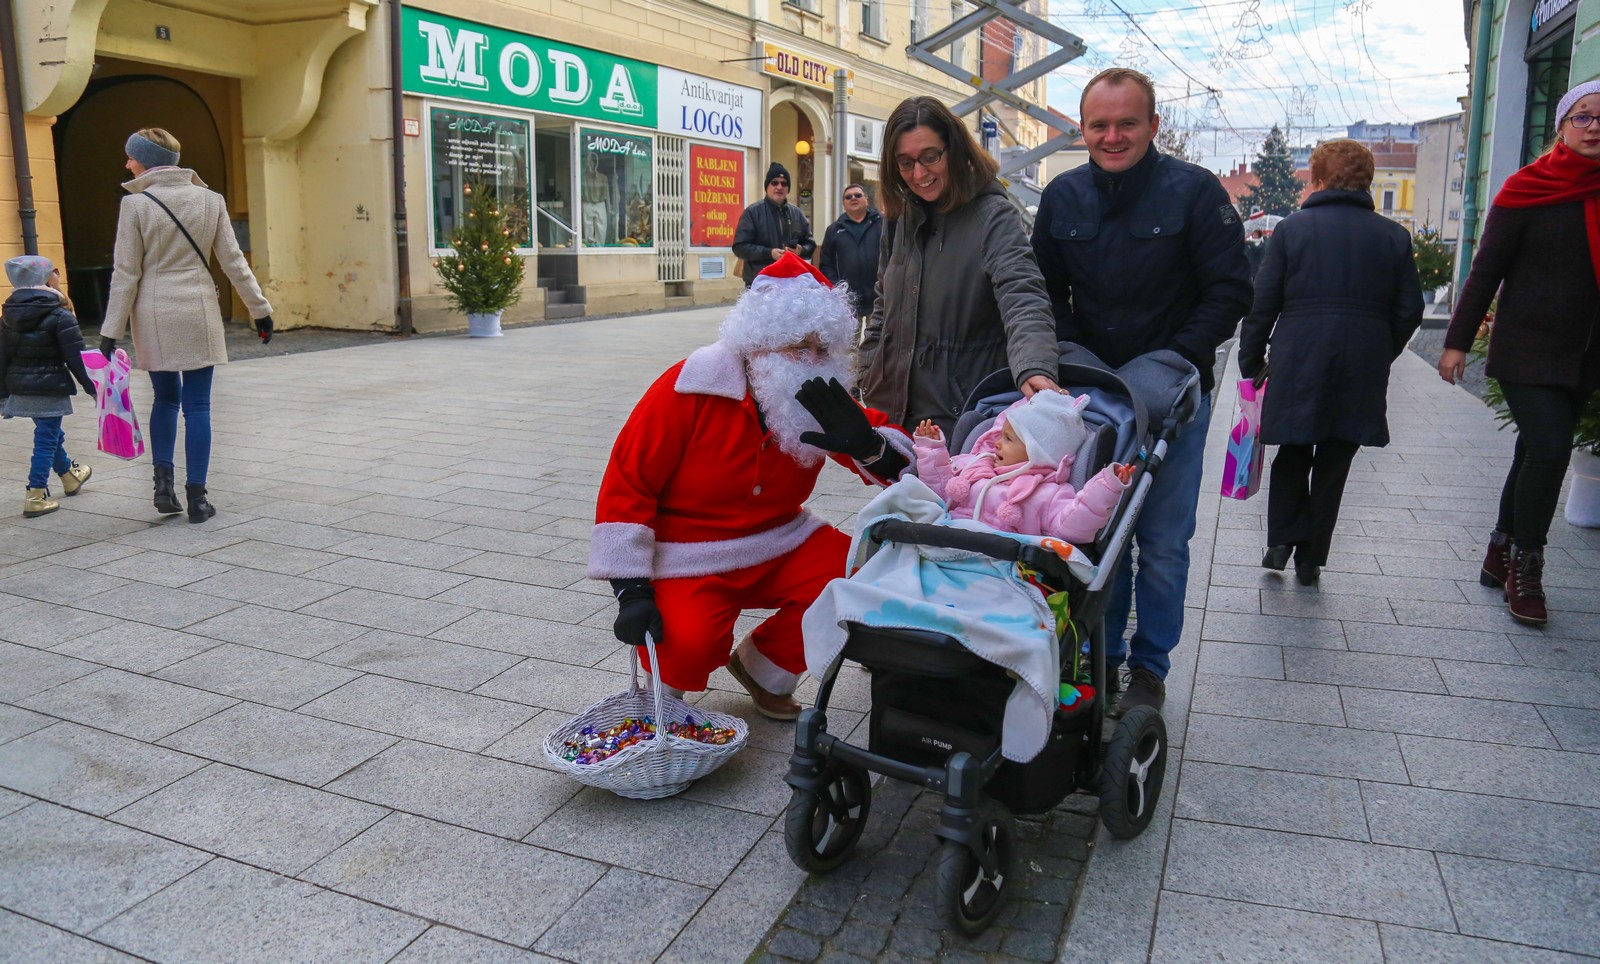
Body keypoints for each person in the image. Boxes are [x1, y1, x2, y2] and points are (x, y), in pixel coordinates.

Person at [588, 252, 911, 719]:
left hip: (780, 538)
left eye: (822, 348)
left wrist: (871, 445)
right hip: (689, 552)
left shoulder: (815, 392)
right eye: (798, 347)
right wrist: (631, 589)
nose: (812, 360)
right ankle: (664, 697)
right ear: (760, 343)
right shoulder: (689, 387)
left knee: (861, 575)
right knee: (687, 645)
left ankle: (764, 668)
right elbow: (628, 482)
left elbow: (898, 463)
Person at [1031, 68, 1252, 715]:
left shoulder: (1194, 192)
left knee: (1161, 544)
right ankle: (1103, 657)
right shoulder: (1063, 196)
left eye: (1127, 123)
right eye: (1099, 125)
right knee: (1097, 535)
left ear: (1153, 125)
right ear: (1082, 129)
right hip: (1097, 403)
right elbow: (1044, 292)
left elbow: (1229, 290)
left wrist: (1175, 358)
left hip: (1173, 399)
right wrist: (1075, 358)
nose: (1113, 136)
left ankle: (1150, 668)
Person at [1440, 80, 1600, 627]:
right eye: (1583, 116)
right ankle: (1526, 568)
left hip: (1585, 353)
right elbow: (1486, 270)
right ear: (1562, 126)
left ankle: (1498, 549)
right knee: (1551, 448)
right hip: (1527, 349)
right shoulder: (1527, 188)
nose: (1593, 127)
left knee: (1532, 449)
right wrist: (1457, 342)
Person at [1239, 140, 1424, 586]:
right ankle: (1312, 558)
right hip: (1362, 360)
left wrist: (1251, 360)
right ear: (1367, 182)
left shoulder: (1292, 230)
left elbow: (1264, 301)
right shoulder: (1393, 237)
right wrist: (1383, 349)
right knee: (1335, 461)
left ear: (1318, 180)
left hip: (1298, 355)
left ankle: (1281, 539)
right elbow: (1410, 309)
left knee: (1293, 450)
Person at [856, 96, 1061, 438]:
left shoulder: (992, 216)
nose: (919, 173)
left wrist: (1033, 366)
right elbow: (883, 303)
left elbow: (1023, 296)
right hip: (894, 417)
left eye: (930, 157)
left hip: (960, 422)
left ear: (954, 149)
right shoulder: (899, 218)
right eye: (905, 162)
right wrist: (868, 368)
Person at [98, 128, 274, 523]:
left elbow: (126, 273)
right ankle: (198, 498)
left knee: (165, 398)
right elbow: (233, 262)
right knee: (198, 405)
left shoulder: (135, 205)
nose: (127, 163)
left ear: (147, 160)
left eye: (131, 157)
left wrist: (111, 330)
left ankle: (163, 485)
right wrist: (260, 309)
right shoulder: (211, 201)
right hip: (198, 310)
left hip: (153, 313)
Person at [912, 390, 1133, 541]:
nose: (996, 443)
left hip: (998, 563)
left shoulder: (1048, 494)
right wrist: (931, 449)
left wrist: (1106, 488)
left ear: (1038, 451)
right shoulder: (974, 465)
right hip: (945, 541)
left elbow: (1072, 525)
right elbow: (937, 492)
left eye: (1008, 439)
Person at [1, 256, 98, 518]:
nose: (58, 274)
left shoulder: (8, 314)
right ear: (43, 278)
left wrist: (3, 393)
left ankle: (69, 475)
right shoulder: (59, 314)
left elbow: (2, 356)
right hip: (51, 386)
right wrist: (93, 388)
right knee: (46, 438)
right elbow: (76, 357)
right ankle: (36, 495)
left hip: (20, 385)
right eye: (53, 271)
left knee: (50, 432)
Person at [731, 163, 815, 287]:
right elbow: (740, 247)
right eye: (774, 183)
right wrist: (769, 253)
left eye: (784, 184)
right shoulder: (752, 213)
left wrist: (800, 250)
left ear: (788, 188)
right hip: (760, 283)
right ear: (767, 187)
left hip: (791, 283)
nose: (779, 187)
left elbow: (810, 244)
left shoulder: (797, 214)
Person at [817, 183, 884, 325]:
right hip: (847, 303)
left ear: (866, 200)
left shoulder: (882, 224)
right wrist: (837, 289)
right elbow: (826, 264)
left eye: (858, 195)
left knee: (878, 339)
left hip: (879, 299)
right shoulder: (834, 230)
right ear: (843, 204)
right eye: (848, 197)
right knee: (849, 340)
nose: (853, 198)